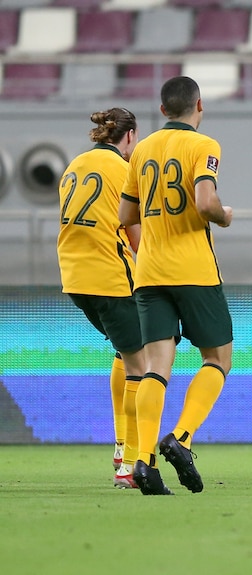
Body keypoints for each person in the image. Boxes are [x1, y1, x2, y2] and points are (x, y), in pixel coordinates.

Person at [118, 76, 234, 496]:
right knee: (218, 358)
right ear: (198, 106)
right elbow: (206, 202)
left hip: (148, 272)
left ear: (163, 109)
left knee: (155, 368)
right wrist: (223, 216)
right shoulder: (205, 146)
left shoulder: (142, 149)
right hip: (194, 271)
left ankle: (144, 463)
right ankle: (181, 438)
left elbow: (125, 214)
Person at [57, 107, 145, 490]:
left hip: (74, 277)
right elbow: (135, 229)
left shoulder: (74, 165)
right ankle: (129, 464)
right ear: (128, 137)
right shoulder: (126, 170)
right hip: (112, 276)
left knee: (124, 355)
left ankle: (120, 445)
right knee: (143, 366)